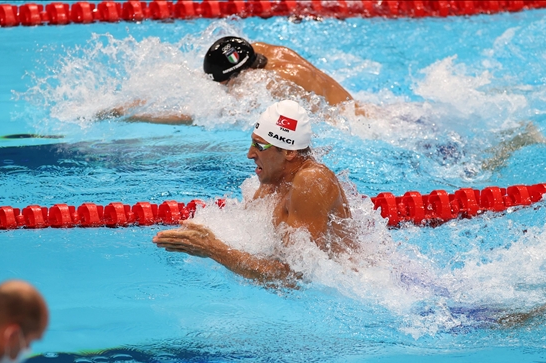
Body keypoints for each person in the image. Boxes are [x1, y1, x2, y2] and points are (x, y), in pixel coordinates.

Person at [153, 100, 354, 284]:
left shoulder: (312, 181)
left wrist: (212, 248)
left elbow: (294, 278)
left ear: (289, 152)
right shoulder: (272, 181)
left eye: (259, 146)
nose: (250, 154)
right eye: (252, 142)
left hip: (347, 287)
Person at [101, 36, 360, 124]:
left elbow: (203, 116)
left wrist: (135, 114)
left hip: (353, 120)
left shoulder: (271, 83)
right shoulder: (259, 51)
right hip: (356, 108)